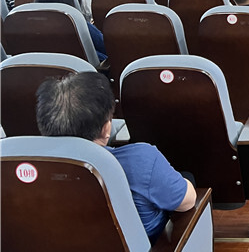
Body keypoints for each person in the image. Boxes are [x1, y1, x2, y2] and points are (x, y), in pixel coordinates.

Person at [36, 71, 196, 242]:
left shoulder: (29, 168)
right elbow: (187, 202)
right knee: (186, 179)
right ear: (106, 128)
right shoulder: (141, 160)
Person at [35, 0, 106, 61]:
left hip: (38, 65)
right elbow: (105, 46)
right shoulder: (75, 21)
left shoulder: (29, 22)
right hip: (79, 66)